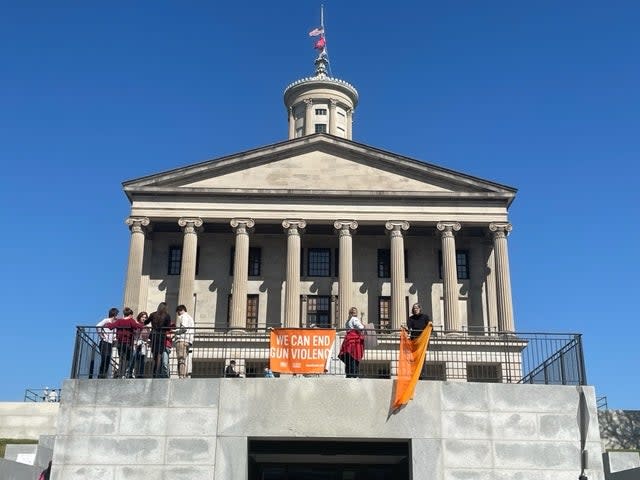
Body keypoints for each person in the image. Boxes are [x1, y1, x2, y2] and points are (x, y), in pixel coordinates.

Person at [105, 307, 144, 378]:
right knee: (128, 359)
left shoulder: (119, 321)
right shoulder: (131, 320)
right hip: (128, 343)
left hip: (120, 343)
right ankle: (124, 374)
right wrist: (142, 326)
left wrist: (107, 324)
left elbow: (111, 326)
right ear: (130, 315)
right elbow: (137, 326)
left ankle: (120, 374)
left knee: (121, 359)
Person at [146, 302, 171, 378]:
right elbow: (168, 327)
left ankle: (154, 373)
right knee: (159, 355)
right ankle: (157, 373)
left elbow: (146, 322)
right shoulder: (167, 316)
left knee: (154, 356)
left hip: (153, 335)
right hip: (161, 336)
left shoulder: (153, 314)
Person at [338, 307, 365, 378]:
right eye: (354, 312)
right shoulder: (354, 319)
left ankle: (349, 374)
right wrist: (364, 325)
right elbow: (361, 327)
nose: (355, 313)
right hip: (354, 340)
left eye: (355, 312)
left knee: (349, 358)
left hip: (348, 339)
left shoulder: (348, 321)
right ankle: (354, 374)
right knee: (354, 357)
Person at [96, 308, 118, 378]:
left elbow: (114, 333)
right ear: (114, 315)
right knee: (104, 359)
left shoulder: (114, 323)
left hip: (110, 343)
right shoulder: (106, 320)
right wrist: (101, 335)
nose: (117, 316)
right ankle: (101, 375)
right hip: (104, 342)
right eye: (116, 315)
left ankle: (103, 375)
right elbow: (98, 326)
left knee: (108, 360)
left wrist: (115, 337)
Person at [174, 305, 195, 378]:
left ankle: (181, 375)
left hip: (182, 339)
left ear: (181, 310)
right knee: (184, 358)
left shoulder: (183, 316)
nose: (178, 314)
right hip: (188, 340)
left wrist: (175, 332)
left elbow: (184, 328)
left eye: (178, 312)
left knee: (181, 358)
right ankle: (184, 374)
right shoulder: (190, 318)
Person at [131, 312, 150, 378]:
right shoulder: (136, 324)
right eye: (142, 317)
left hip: (143, 345)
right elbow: (133, 333)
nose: (144, 319)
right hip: (136, 344)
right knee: (133, 359)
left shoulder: (147, 327)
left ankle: (140, 375)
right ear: (139, 317)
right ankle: (130, 373)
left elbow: (147, 336)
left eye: (145, 317)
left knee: (142, 361)